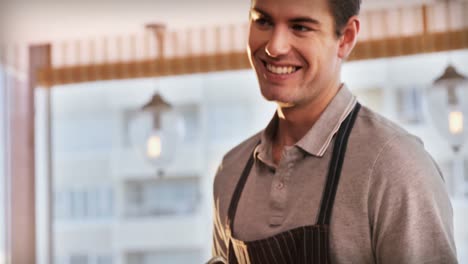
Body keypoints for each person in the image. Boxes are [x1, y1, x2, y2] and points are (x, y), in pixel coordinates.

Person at [210, 0, 458, 263]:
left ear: (346, 38)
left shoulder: (395, 166)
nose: (274, 46)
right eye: (264, 21)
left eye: (300, 27)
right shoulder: (231, 171)